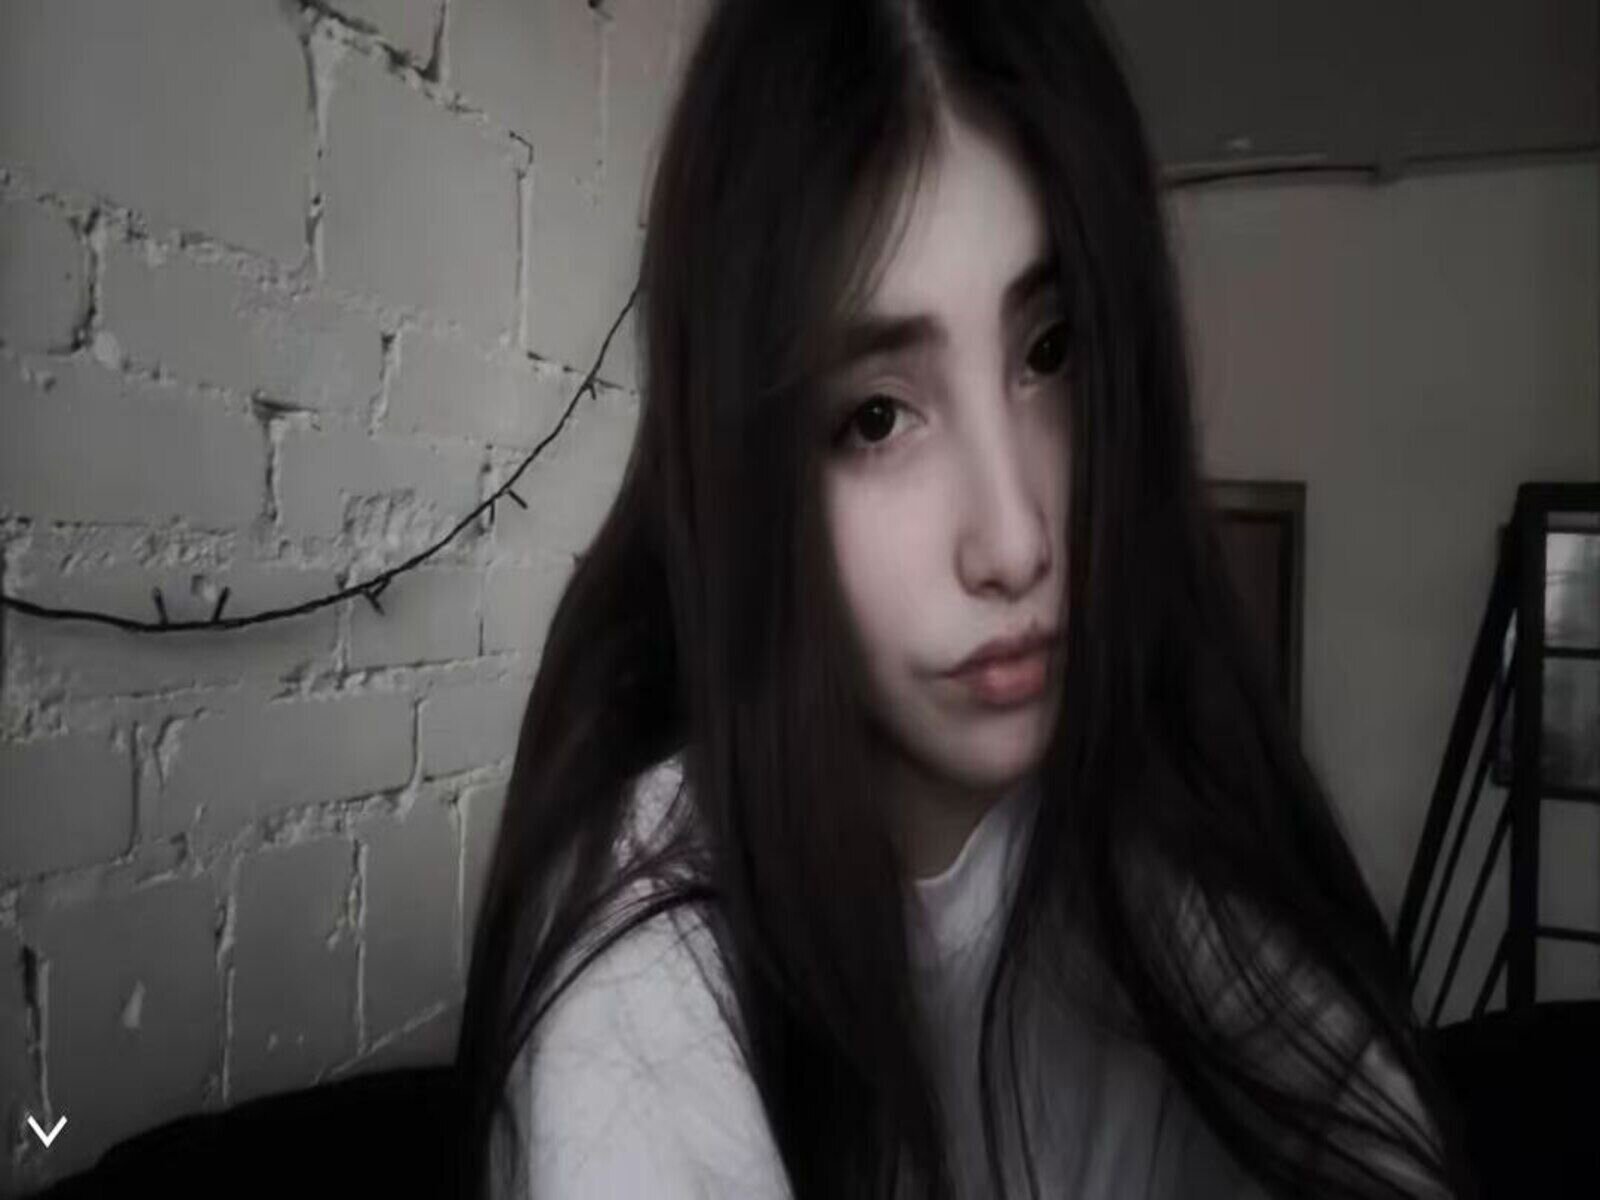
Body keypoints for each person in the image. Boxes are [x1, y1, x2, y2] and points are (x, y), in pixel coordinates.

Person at [455, 1, 1475, 1196]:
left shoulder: (1169, 830)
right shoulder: (649, 934)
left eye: (1050, 351)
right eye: (875, 416)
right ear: (748, 472)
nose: (1015, 541)